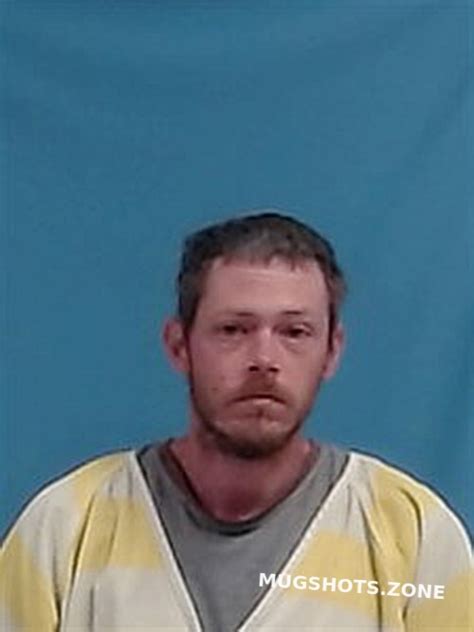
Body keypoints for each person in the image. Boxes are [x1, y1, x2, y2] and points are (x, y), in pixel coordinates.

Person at [0, 211, 471, 631]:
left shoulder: (415, 537)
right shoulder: (64, 527)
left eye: (294, 332)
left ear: (332, 351)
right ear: (179, 346)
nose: (264, 359)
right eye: (233, 330)